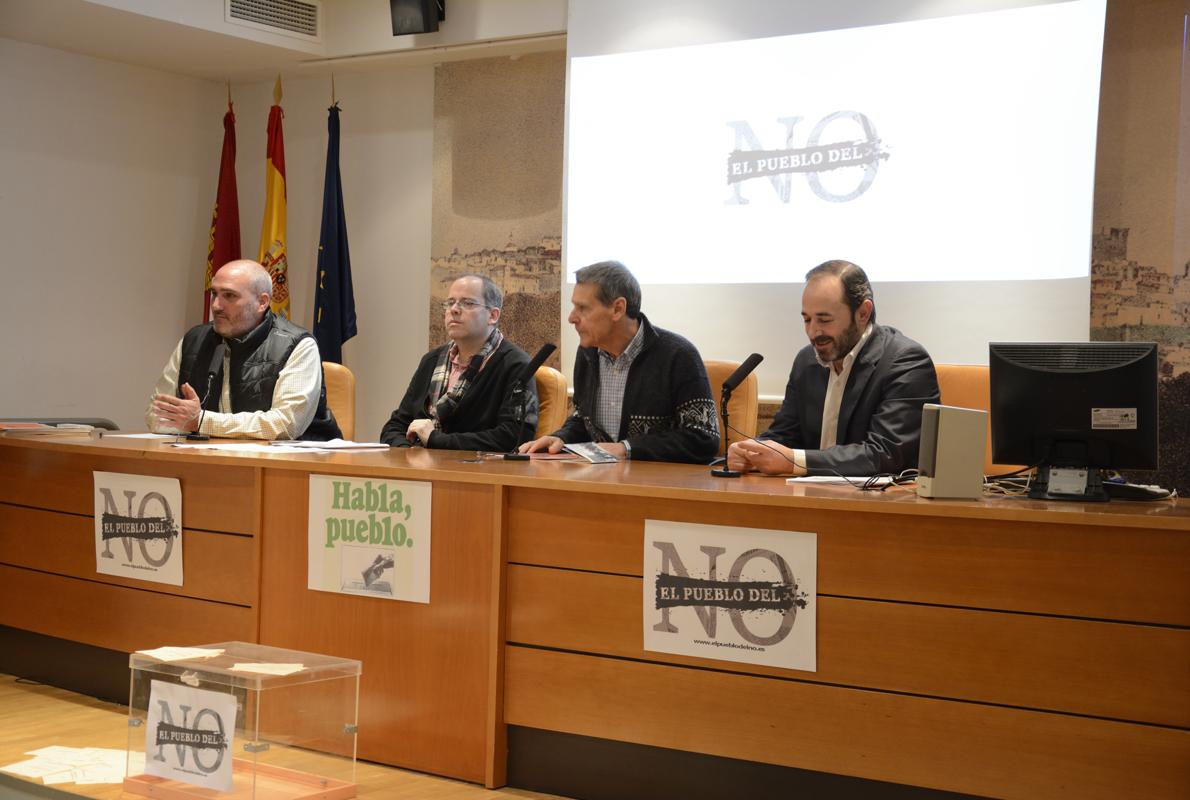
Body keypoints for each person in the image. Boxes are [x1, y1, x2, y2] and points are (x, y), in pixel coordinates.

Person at [728, 260, 939, 476]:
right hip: (808, 497)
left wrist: (794, 461)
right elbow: (785, 434)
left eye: (824, 319)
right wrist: (752, 451)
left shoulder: (905, 362)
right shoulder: (806, 360)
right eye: (807, 319)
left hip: (882, 504)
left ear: (863, 313)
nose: (813, 332)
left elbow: (885, 454)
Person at [520, 261, 719, 463]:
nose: (572, 318)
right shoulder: (587, 353)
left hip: (661, 485)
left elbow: (704, 437)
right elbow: (584, 420)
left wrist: (627, 448)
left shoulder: (678, 355)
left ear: (617, 309)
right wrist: (560, 438)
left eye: (583, 308)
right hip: (600, 481)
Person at [146, 260, 341, 440]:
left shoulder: (297, 345)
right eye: (214, 293)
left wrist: (200, 421)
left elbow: (284, 425)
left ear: (262, 302)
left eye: (229, 296)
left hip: (295, 468)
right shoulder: (193, 341)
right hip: (212, 461)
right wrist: (187, 421)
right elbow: (156, 416)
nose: (216, 305)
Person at [379, 274, 538, 451]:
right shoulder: (431, 361)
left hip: (478, 474)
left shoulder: (515, 364)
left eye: (468, 303)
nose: (454, 309)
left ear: (493, 315)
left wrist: (435, 440)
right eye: (450, 302)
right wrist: (407, 452)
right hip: (420, 468)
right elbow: (395, 426)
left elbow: (514, 436)